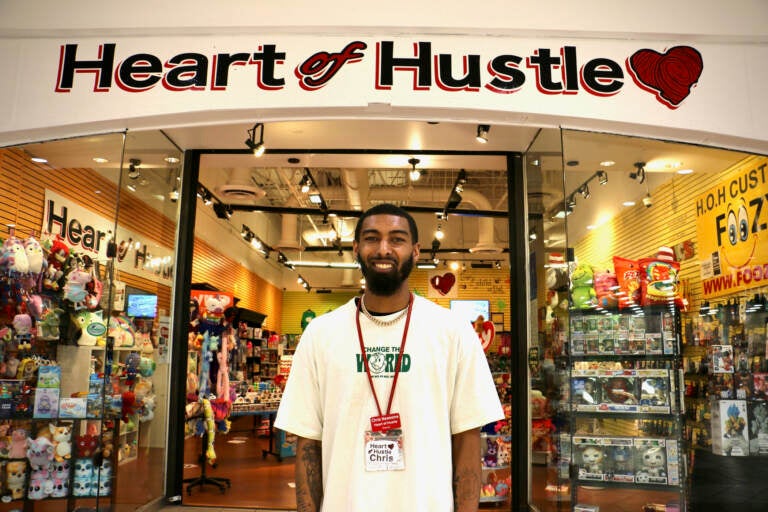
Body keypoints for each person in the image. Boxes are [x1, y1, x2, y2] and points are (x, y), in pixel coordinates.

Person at [275, 203, 504, 512]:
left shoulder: (453, 332)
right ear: (356, 249)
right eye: (371, 238)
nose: (383, 248)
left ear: (416, 250)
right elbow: (308, 445)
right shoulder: (320, 334)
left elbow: (467, 438)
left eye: (397, 239)